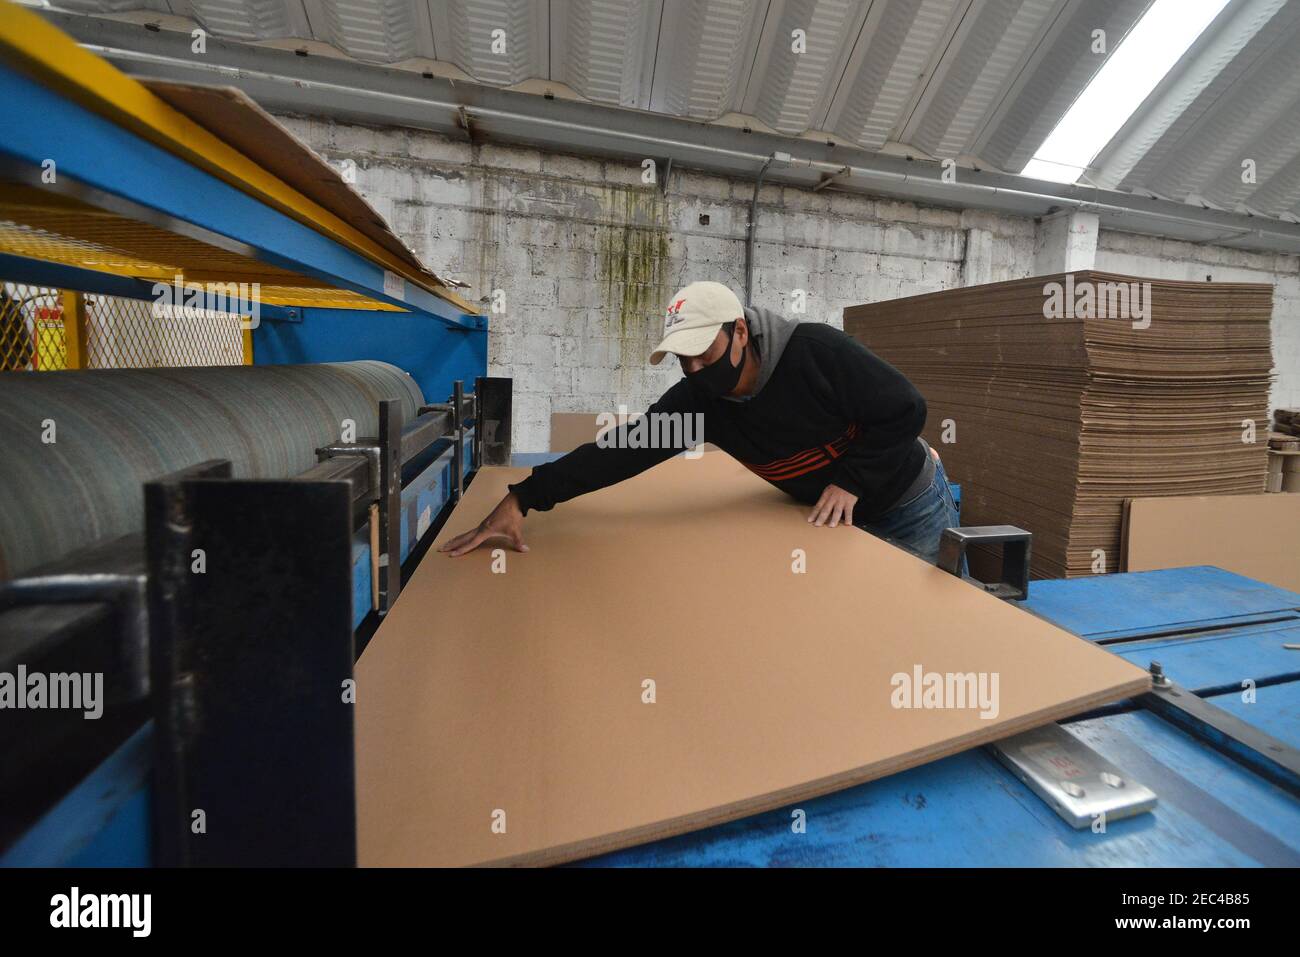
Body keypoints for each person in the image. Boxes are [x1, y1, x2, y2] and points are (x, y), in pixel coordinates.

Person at [440, 281, 958, 563]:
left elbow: (905, 407)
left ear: (738, 332)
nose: (693, 369)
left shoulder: (815, 353)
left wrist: (851, 481)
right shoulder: (698, 403)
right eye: (682, 359)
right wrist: (523, 497)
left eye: (703, 354)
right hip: (827, 520)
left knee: (924, 636)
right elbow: (623, 451)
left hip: (905, 505)